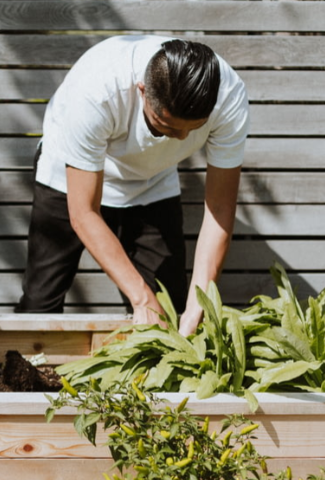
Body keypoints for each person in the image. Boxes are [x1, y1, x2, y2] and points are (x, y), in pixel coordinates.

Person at [15, 35, 250, 336]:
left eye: (192, 130)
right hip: (68, 178)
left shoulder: (228, 97)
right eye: (164, 126)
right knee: (40, 304)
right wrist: (140, 298)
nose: (180, 139)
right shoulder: (97, 91)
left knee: (168, 309)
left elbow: (219, 208)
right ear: (142, 91)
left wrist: (197, 306)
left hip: (152, 181)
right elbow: (84, 213)